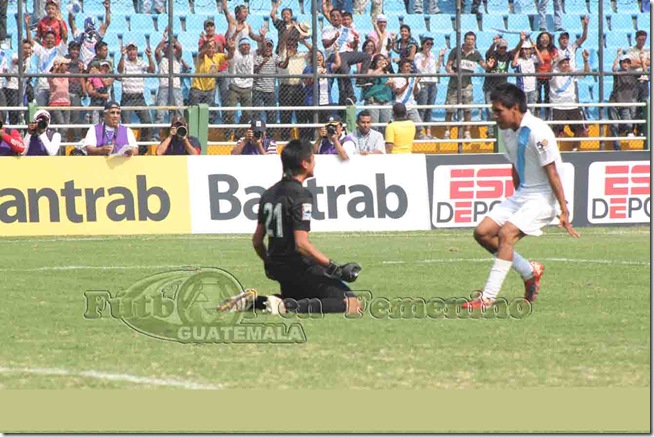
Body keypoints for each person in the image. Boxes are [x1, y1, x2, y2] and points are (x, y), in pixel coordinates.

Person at [463, 83, 579, 310]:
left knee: (506, 233)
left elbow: (553, 172)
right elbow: (515, 164)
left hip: (544, 197)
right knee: (483, 233)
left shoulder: (538, 131)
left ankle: (487, 298)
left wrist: (563, 210)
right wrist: (517, 196)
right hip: (523, 194)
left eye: (498, 111)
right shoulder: (507, 131)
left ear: (514, 108)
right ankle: (530, 271)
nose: (494, 116)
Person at [217, 139, 362, 315]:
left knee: (298, 297)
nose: (315, 162)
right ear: (304, 163)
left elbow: (257, 241)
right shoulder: (301, 195)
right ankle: (285, 307)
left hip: (277, 267)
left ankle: (254, 302)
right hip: (298, 266)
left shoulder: (268, 194)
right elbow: (301, 244)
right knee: (352, 304)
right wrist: (334, 267)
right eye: (313, 159)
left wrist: (271, 261)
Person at [443, 31, 487, 140]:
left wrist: (488, 65)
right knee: (450, 109)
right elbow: (448, 65)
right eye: (468, 39)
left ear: (474, 41)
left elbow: (484, 65)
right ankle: (447, 131)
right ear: (464, 40)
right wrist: (450, 71)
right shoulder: (455, 51)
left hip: (467, 85)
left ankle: (467, 132)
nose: (470, 41)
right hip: (454, 84)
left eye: (472, 39)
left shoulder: (476, 54)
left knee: (468, 109)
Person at [118, 41, 156, 148]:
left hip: (139, 97)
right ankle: (125, 147)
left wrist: (149, 57)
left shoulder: (141, 62)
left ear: (136, 51)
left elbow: (152, 70)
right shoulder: (124, 62)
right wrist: (122, 56)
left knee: (147, 122)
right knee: (126, 124)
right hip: (127, 97)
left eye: (133, 49)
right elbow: (120, 70)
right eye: (129, 50)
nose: (131, 52)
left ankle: (142, 147)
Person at [549, 52, 590, 150]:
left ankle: (575, 148)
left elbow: (586, 72)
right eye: (563, 62)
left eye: (567, 62)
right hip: (557, 105)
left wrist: (585, 60)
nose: (566, 64)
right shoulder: (554, 72)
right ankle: (553, 150)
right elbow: (548, 75)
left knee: (580, 129)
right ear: (558, 65)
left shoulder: (572, 72)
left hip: (572, 105)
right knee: (555, 131)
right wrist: (553, 63)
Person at [25, 14, 66, 107]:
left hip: (55, 87)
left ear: (55, 39)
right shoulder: (41, 50)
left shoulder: (59, 50)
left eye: (52, 38)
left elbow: (65, 37)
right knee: (42, 110)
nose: (50, 40)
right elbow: (30, 40)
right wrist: (27, 26)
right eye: (47, 38)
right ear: (44, 39)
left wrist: (60, 22)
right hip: (42, 86)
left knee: (54, 113)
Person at [414, 36, 445, 139]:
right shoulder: (418, 55)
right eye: (427, 43)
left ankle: (428, 132)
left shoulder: (432, 55)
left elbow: (436, 68)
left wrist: (440, 57)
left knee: (430, 108)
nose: (429, 46)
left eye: (431, 44)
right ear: (423, 44)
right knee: (422, 107)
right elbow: (421, 69)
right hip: (423, 82)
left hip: (433, 82)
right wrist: (426, 57)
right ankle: (419, 132)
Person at [608, 52, 640, 150]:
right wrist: (618, 56)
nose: (625, 64)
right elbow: (613, 69)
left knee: (628, 124)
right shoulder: (618, 73)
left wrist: (642, 61)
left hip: (625, 104)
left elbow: (645, 73)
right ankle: (617, 148)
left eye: (627, 62)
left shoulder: (633, 74)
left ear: (630, 64)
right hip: (615, 102)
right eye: (623, 62)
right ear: (620, 64)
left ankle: (624, 131)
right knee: (614, 125)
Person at [68, 2, 111, 68]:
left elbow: (107, 22)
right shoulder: (81, 36)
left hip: (95, 65)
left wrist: (107, 9)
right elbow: (71, 24)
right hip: (83, 67)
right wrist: (71, 12)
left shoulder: (97, 36)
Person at [389, 58, 423, 138]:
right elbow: (398, 91)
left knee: (418, 126)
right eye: (406, 66)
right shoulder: (396, 78)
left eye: (409, 66)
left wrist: (415, 84)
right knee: (399, 126)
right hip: (400, 106)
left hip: (411, 105)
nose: (408, 68)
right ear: (401, 67)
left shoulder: (413, 78)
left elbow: (416, 92)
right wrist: (407, 83)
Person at [362, 53, 393, 134]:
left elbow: (393, 84)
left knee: (386, 126)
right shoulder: (371, 71)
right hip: (373, 102)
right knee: (374, 126)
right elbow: (370, 77)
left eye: (383, 59)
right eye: (379, 59)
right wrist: (380, 68)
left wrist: (392, 82)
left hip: (386, 102)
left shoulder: (387, 73)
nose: (382, 61)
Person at [627, 30, 650, 134]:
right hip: (634, 80)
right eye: (640, 39)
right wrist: (643, 62)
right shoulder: (631, 50)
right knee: (633, 105)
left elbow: (650, 62)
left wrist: (640, 62)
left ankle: (641, 130)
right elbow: (630, 63)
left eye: (644, 40)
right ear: (636, 39)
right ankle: (631, 129)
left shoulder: (648, 49)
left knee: (643, 105)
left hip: (644, 80)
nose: (642, 42)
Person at [512, 34, 543, 107]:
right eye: (525, 49)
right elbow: (513, 64)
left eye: (529, 49)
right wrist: (519, 50)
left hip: (532, 88)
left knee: (532, 108)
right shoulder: (519, 60)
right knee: (523, 108)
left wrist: (534, 47)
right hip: (522, 89)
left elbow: (541, 61)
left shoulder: (532, 59)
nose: (527, 51)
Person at [535, 31, 558, 120]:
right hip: (538, 76)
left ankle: (547, 117)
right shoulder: (536, 49)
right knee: (538, 98)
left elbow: (556, 59)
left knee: (547, 97)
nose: (544, 40)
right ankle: (537, 116)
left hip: (548, 77)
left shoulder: (552, 49)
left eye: (546, 38)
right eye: (542, 38)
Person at [47, 56, 70, 139]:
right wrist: (55, 69)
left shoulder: (67, 74)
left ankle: (62, 145)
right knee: (61, 125)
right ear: (59, 65)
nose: (67, 66)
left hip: (66, 102)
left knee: (66, 127)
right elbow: (51, 78)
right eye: (65, 64)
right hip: (55, 103)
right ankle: (59, 143)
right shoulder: (51, 75)